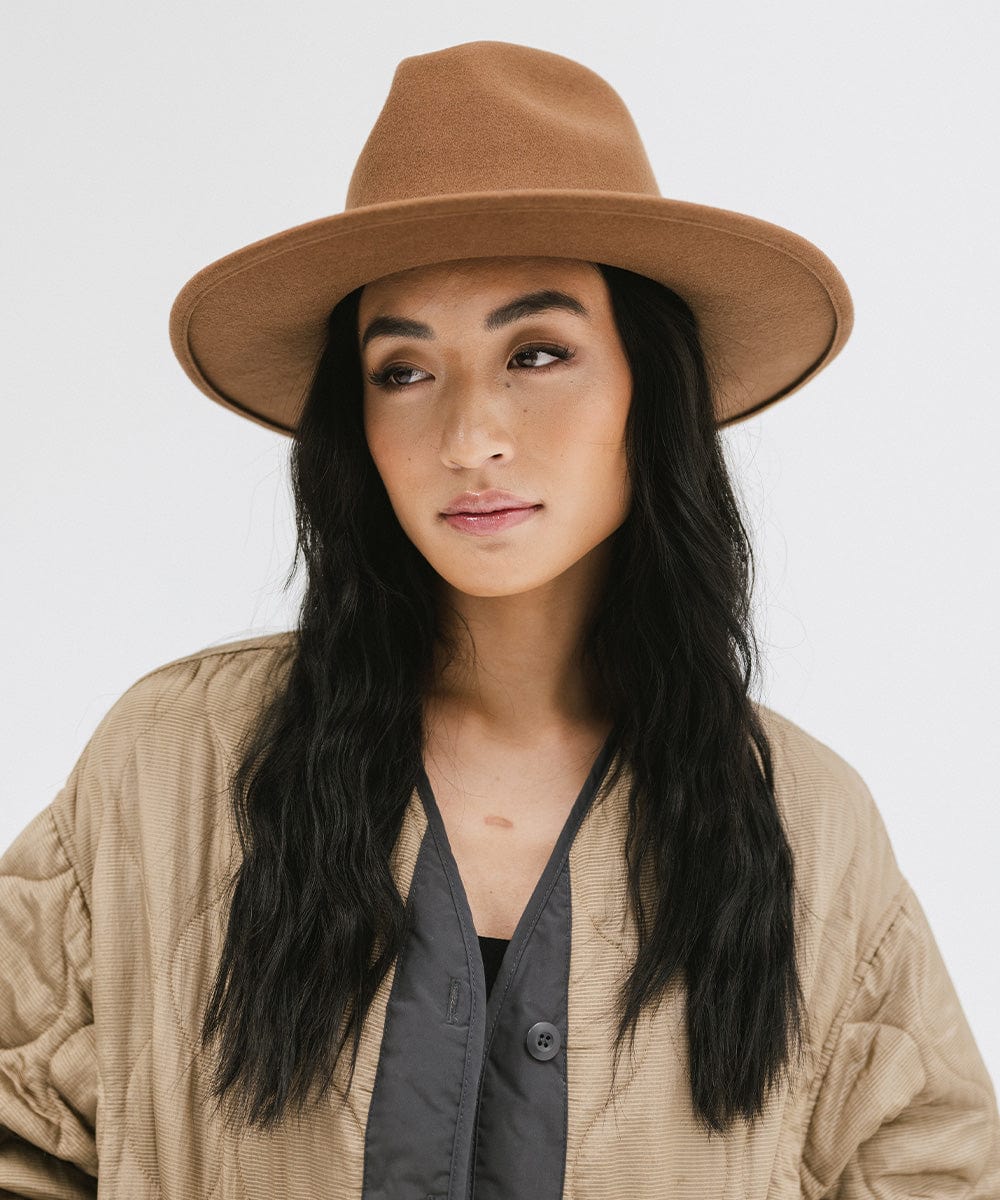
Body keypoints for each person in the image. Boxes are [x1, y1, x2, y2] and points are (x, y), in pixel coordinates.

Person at [1, 38, 997, 1200]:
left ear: (648, 387)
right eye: (403, 371)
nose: (470, 436)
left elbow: (932, 1171)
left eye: (536, 352)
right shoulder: (170, 768)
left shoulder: (806, 830)